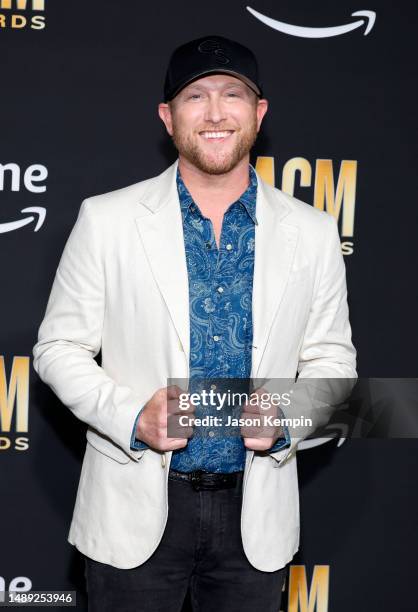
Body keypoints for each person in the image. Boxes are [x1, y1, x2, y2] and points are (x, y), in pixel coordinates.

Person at [32, 35, 357, 612]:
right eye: (194, 96)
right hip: (132, 508)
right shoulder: (106, 219)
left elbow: (334, 366)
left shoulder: (312, 232)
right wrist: (133, 416)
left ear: (258, 114)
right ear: (167, 115)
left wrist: (287, 415)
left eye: (233, 95)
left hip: (256, 518)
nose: (214, 113)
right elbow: (58, 347)